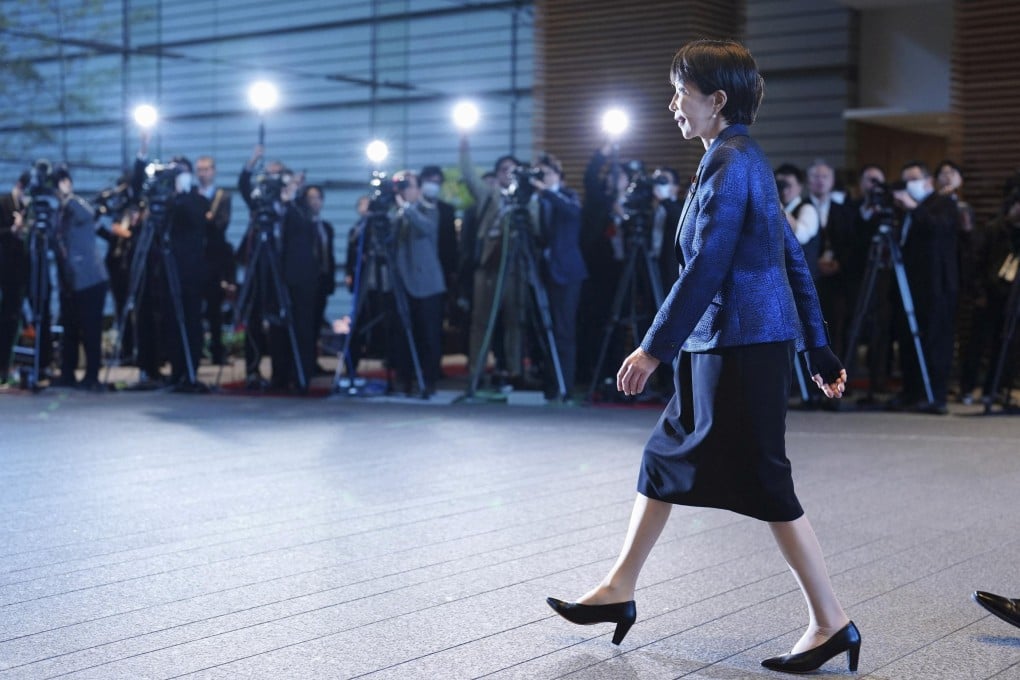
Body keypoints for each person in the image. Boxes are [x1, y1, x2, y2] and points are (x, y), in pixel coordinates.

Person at [545, 40, 860, 675]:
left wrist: (651, 348)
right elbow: (789, 257)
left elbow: (707, 267)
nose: (672, 106)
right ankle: (618, 589)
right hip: (725, 342)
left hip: (740, 344)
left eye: (681, 93)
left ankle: (831, 623)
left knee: (767, 480)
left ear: (717, 101)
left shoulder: (731, 161)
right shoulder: (736, 157)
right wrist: (818, 346)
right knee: (664, 458)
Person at [533, 152, 587, 401]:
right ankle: (549, 383)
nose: (542, 179)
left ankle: (565, 384)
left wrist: (548, 192)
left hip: (567, 273)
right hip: (545, 272)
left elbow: (573, 214)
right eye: (539, 175)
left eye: (546, 174)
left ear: (557, 176)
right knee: (547, 330)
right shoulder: (538, 201)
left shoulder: (567, 196)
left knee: (565, 330)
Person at [51, 165, 109, 391]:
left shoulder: (77, 206)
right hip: (69, 282)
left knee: (90, 328)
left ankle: (92, 375)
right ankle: (68, 373)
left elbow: (90, 214)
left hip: (90, 279)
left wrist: (69, 196)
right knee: (70, 328)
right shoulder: (59, 213)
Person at [390, 171, 445, 395]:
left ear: (419, 189)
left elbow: (426, 228)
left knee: (428, 335)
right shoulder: (396, 213)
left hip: (426, 284)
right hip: (401, 282)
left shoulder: (428, 209)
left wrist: (407, 209)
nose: (405, 190)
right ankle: (404, 377)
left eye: (409, 186)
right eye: (402, 186)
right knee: (403, 334)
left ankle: (428, 379)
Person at [195, 155, 233, 365]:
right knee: (195, 308)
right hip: (196, 258)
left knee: (214, 309)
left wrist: (206, 221)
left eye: (206, 169)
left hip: (214, 259)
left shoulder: (222, 196)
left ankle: (217, 350)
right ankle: (197, 349)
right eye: (199, 169)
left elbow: (221, 225)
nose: (203, 173)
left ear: (214, 171)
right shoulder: (192, 195)